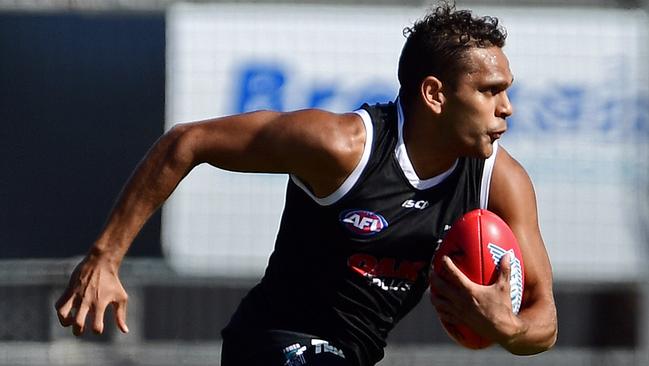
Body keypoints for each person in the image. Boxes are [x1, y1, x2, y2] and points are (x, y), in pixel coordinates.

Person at [55, 2, 558, 366]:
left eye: (506, 91)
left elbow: (545, 323)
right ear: (435, 95)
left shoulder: (502, 180)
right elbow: (188, 142)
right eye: (490, 91)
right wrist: (105, 257)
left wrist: (506, 326)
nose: (506, 107)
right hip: (274, 342)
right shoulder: (341, 147)